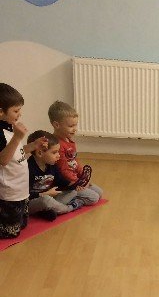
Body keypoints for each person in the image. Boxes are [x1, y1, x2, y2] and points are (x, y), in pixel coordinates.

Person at [0, 83, 48, 238]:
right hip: (9, 192)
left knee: (23, 224)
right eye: (16, 111)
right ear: (1, 112)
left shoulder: (9, 127)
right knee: (10, 233)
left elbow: (16, 151)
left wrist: (33, 145)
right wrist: (17, 137)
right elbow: (3, 160)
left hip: (21, 189)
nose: (19, 114)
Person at [48, 100, 103, 205]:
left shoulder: (69, 141)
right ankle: (70, 200)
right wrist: (77, 182)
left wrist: (83, 178)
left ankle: (72, 196)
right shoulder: (57, 145)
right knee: (94, 198)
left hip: (75, 180)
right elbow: (63, 169)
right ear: (56, 125)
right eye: (71, 126)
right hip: (67, 184)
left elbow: (75, 161)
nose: (74, 129)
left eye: (75, 125)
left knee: (99, 193)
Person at [27, 130, 86, 221]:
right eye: (54, 152)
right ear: (40, 153)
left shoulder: (52, 165)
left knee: (72, 192)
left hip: (50, 196)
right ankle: (69, 207)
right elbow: (24, 195)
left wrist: (75, 185)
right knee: (46, 200)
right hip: (32, 201)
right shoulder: (28, 168)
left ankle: (48, 211)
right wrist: (44, 194)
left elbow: (60, 181)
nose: (58, 156)